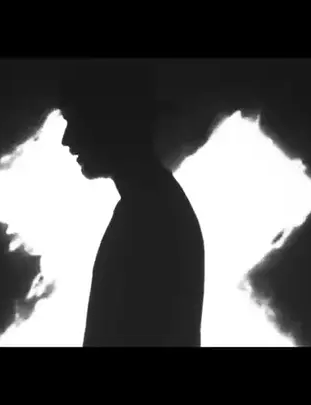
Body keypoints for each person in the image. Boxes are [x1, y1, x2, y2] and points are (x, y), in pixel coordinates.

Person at [57, 61, 205, 346]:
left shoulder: (149, 219)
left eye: (75, 120)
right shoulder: (151, 208)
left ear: (110, 118)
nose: (67, 139)